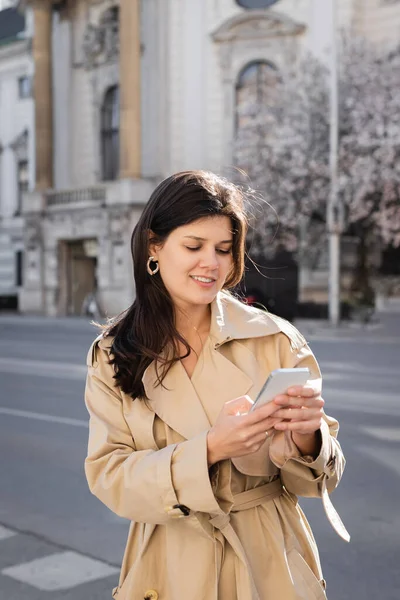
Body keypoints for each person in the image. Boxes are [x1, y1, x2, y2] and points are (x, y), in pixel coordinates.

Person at [84, 171, 349, 600]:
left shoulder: (275, 339)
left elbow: (319, 481)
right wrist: (210, 449)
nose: (212, 263)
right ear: (154, 246)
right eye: (194, 246)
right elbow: (110, 477)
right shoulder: (114, 353)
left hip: (270, 562)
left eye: (224, 250)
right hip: (169, 561)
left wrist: (307, 439)